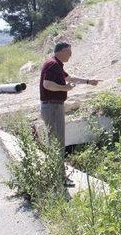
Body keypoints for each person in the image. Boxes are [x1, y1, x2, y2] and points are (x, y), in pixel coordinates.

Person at [40, 42, 101, 187]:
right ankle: (59, 178)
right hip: (52, 106)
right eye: (69, 52)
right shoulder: (52, 64)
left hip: (54, 106)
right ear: (60, 51)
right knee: (57, 142)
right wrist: (65, 88)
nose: (71, 55)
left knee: (56, 141)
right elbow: (47, 84)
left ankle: (56, 174)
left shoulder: (56, 65)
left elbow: (70, 78)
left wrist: (88, 81)